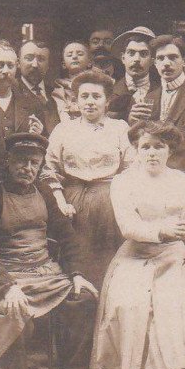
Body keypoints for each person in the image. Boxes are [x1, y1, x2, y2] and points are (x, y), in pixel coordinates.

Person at [88, 120, 185, 369]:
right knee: (129, 303)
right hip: (135, 256)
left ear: (171, 150)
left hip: (174, 258)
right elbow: (128, 226)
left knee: (174, 303)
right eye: (145, 147)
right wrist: (165, 229)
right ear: (136, 150)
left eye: (160, 147)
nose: (152, 153)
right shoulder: (124, 182)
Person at [0, 133, 100, 369]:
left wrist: (76, 274)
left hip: (46, 273)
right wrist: (6, 285)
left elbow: (67, 237)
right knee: (15, 308)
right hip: (6, 275)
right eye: (20, 161)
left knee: (84, 298)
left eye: (33, 163)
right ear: (7, 162)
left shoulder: (44, 193)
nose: (27, 168)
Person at [42, 69, 133, 290]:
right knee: (76, 259)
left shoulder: (119, 128)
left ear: (107, 101)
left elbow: (131, 167)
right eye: (84, 96)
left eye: (96, 96)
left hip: (109, 203)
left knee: (107, 262)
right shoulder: (64, 129)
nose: (90, 102)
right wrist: (60, 202)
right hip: (72, 202)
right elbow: (49, 169)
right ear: (75, 100)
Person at [131, 34, 185, 198]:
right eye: (161, 58)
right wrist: (134, 122)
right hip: (152, 186)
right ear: (155, 63)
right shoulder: (150, 97)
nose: (166, 63)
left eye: (173, 57)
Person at [0, 40, 45, 189]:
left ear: (17, 65)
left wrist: (38, 136)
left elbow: (42, 151)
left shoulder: (33, 103)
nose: (6, 71)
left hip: (21, 185)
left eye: (10, 65)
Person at [107, 26, 159, 122]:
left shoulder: (162, 91)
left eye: (143, 54)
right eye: (131, 53)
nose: (137, 59)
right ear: (123, 58)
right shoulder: (109, 90)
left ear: (152, 61)